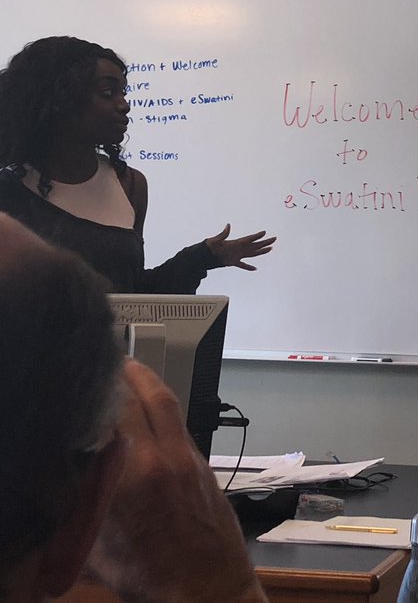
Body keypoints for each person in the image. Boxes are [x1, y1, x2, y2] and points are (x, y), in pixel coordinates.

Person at [0, 214, 266, 603]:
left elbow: (141, 288)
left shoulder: (128, 189)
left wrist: (200, 258)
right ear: (87, 518)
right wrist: (224, 590)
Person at [0, 36, 274, 293]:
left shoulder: (129, 184)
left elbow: (133, 293)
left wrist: (203, 257)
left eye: (123, 92)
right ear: (59, 100)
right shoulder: (8, 189)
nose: (124, 105)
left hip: (107, 333)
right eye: (108, 92)